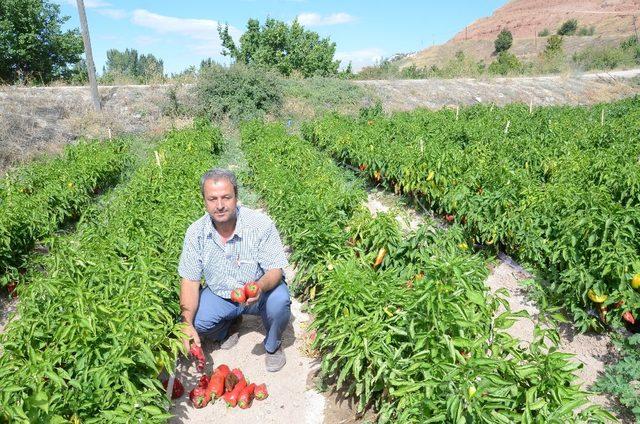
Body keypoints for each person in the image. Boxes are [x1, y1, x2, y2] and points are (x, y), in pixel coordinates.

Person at [178, 168, 291, 372]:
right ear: (204, 200)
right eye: (212, 199)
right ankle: (230, 327)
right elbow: (190, 280)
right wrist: (186, 324)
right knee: (198, 321)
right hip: (221, 295)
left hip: (260, 292)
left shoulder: (260, 224)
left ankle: (273, 345)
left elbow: (275, 269)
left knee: (280, 301)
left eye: (226, 197)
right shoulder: (196, 233)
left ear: (236, 197)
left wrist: (259, 286)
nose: (220, 205)